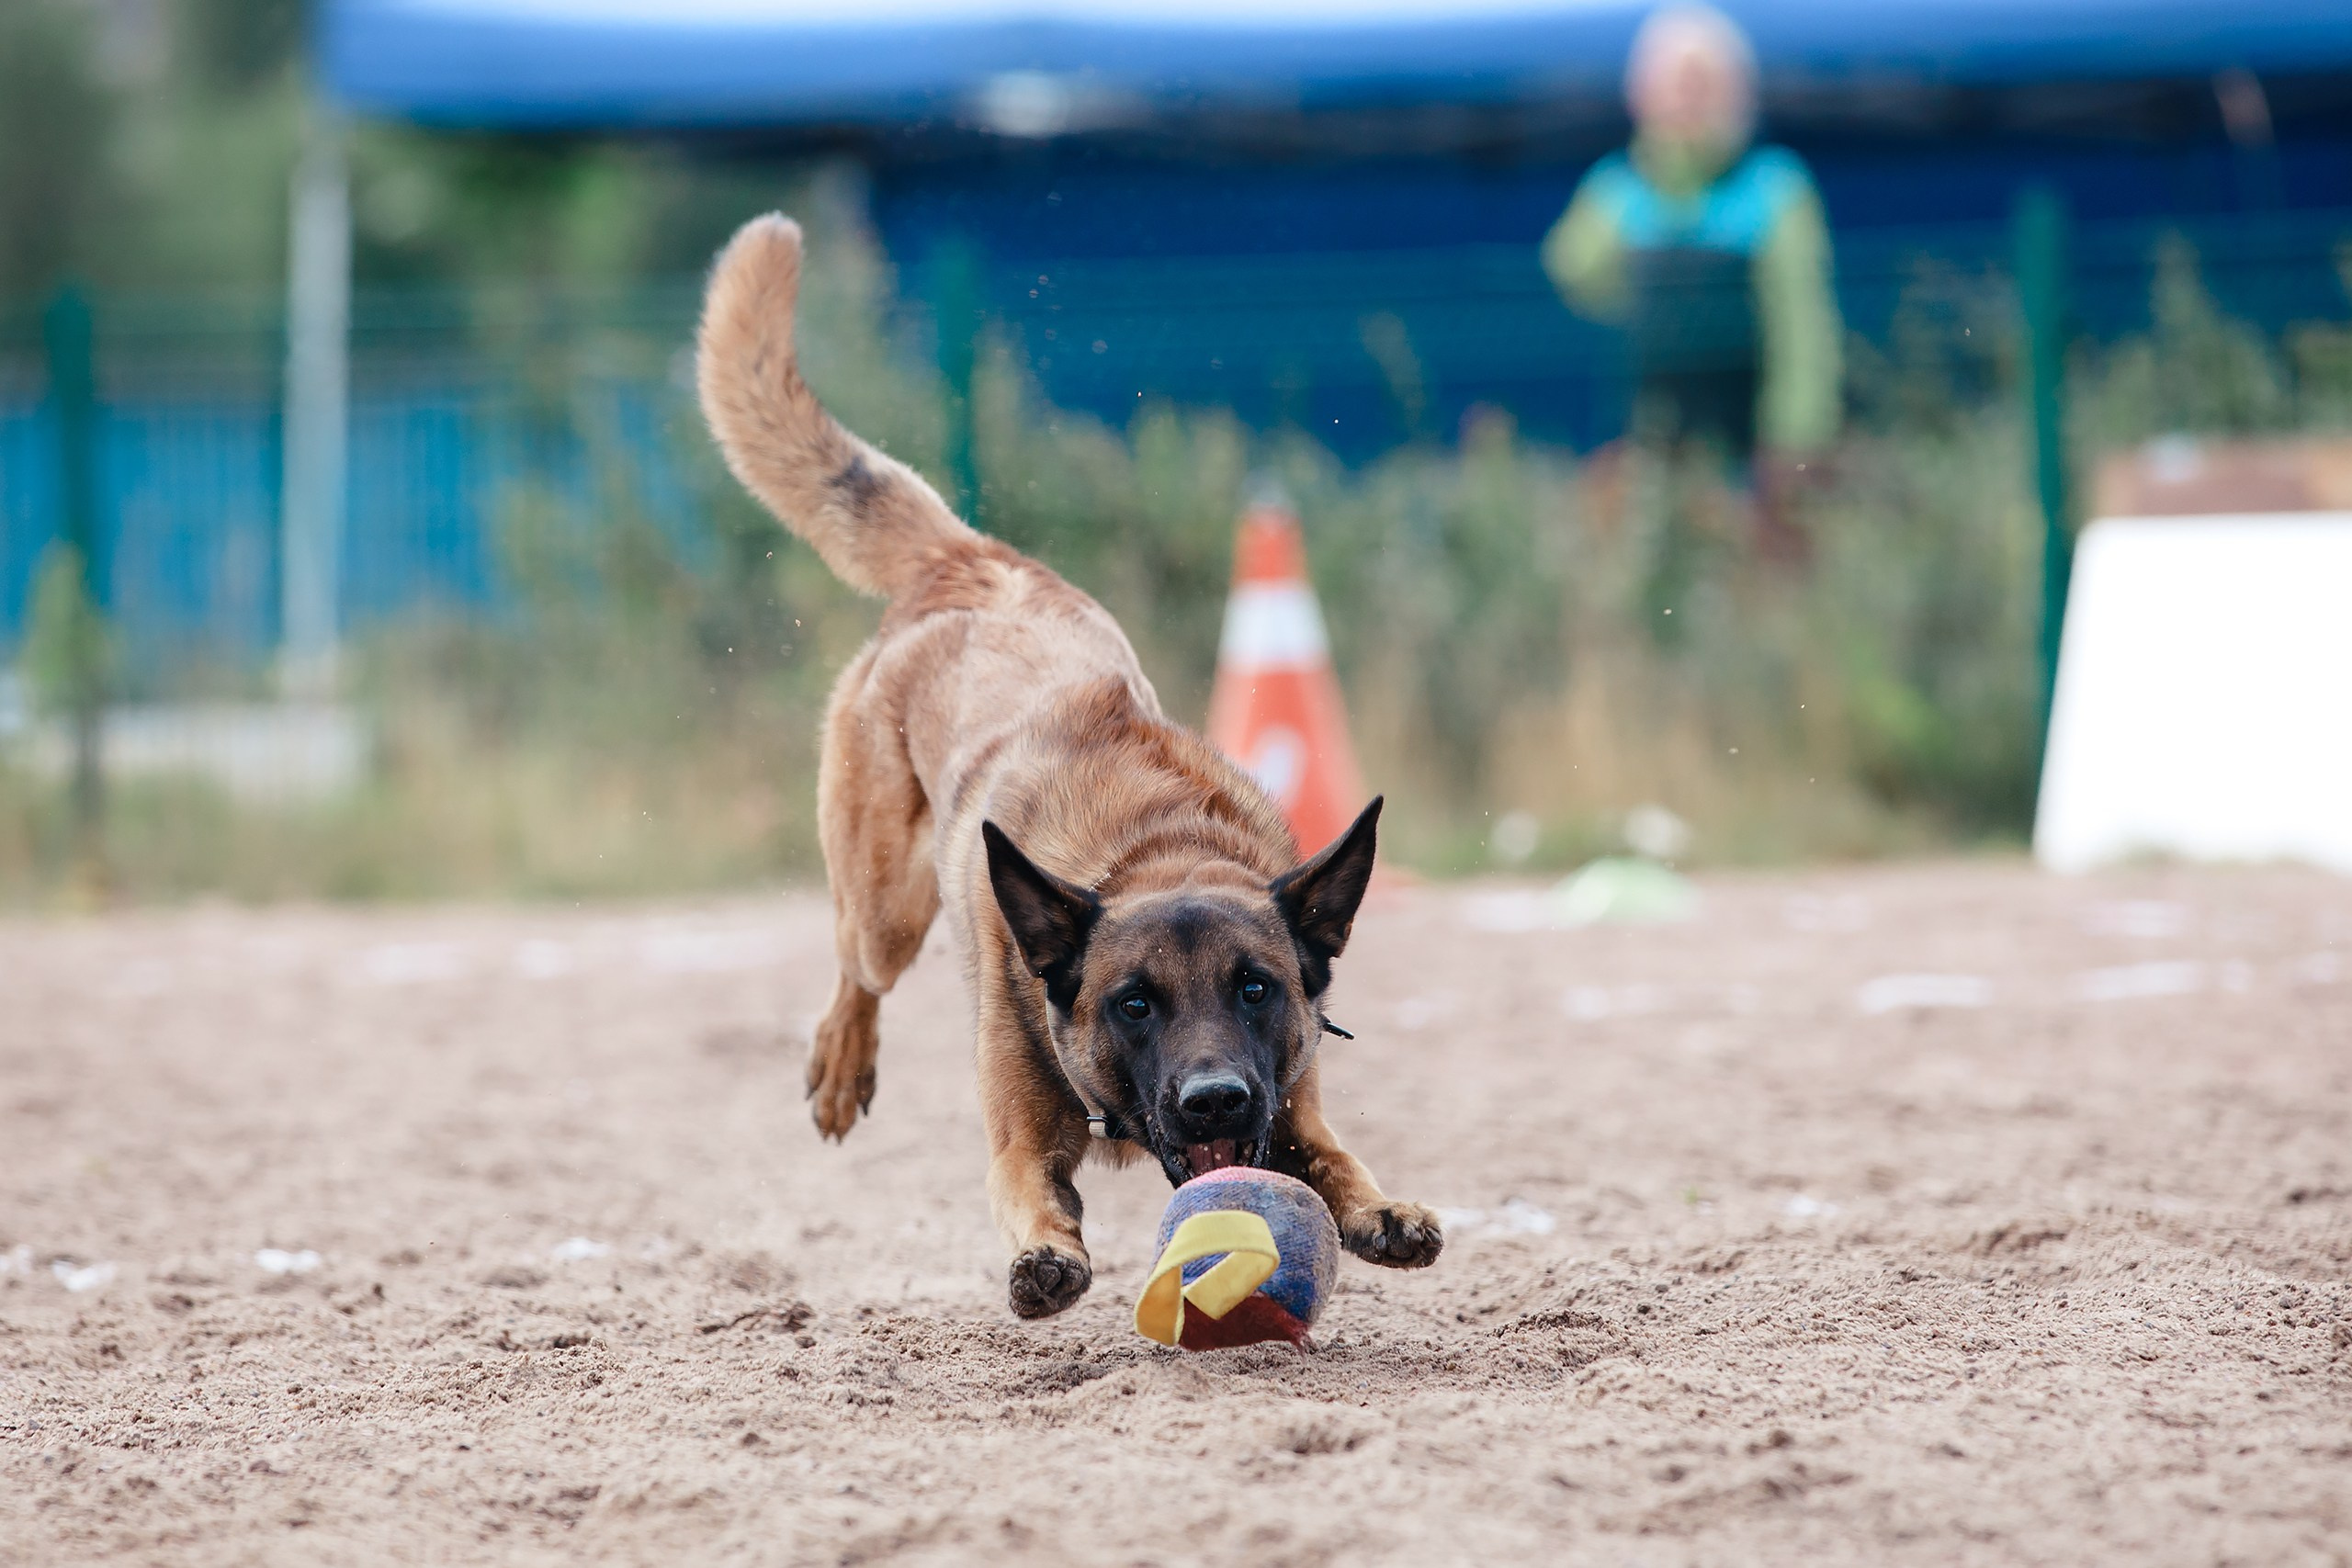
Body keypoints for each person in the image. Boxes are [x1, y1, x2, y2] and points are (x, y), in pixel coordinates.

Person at [1543, 3, 1840, 560]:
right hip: (1648, 441)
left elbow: (1804, 334)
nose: (1689, 102)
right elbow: (1573, 272)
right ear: (1643, 95)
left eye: (1704, 85)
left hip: (1750, 447)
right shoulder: (1619, 190)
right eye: (1676, 85)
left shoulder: (1776, 189)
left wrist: (1797, 446)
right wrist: (1663, 178)